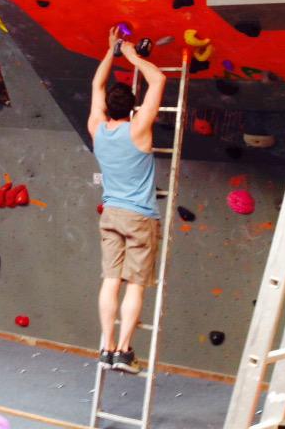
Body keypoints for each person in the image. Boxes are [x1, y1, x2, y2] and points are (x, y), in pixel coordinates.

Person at [88, 26, 165, 374]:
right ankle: (123, 350)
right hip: (140, 218)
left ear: (106, 107)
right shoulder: (139, 129)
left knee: (110, 281)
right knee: (135, 284)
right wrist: (133, 56)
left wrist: (110, 51)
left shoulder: (97, 128)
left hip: (111, 215)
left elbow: (96, 86)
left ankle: (105, 346)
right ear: (133, 107)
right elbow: (158, 80)